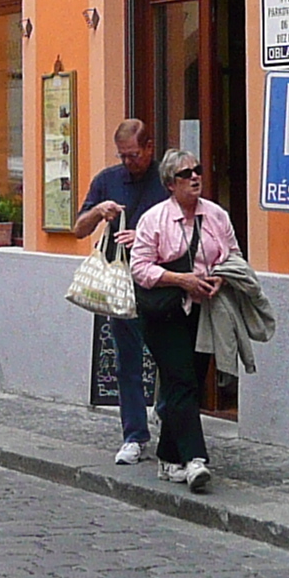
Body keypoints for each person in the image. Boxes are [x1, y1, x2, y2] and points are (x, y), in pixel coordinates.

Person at [127, 146, 233, 494]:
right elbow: (140, 268)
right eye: (186, 174)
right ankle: (195, 461)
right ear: (170, 184)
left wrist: (220, 277)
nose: (195, 178)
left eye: (197, 170)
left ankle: (168, 456)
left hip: (204, 310)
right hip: (164, 311)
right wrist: (180, 279)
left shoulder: (216, 216)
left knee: (189, 383)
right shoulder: (154, 219)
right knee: (181, 379)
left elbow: (233, 255)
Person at [72, 120, 166, 465]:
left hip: (159, 284)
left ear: (150, 148)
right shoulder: (107, 180)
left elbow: (185, 227)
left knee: (170, 358)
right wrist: (99, 211)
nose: (129, 162)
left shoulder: (166, 180)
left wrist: (142, 236)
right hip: (119, 283)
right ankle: (134, 435)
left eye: (135, 155)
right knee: (127, 362)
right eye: (123, 156)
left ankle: (168, 422)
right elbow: (78, 228)